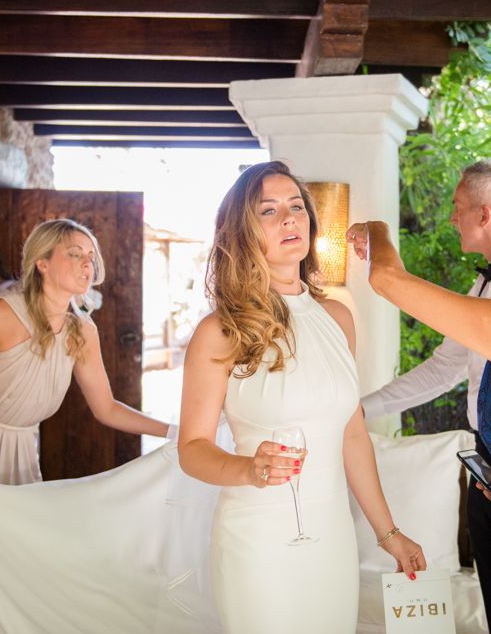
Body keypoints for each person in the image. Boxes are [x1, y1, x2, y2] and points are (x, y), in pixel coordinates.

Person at [177, 160, 425, 634]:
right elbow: (192, 450)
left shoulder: (337, 317)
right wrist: (247, 469)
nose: (289, 218)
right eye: (268, 211)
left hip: (331, 535)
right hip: (257, 539)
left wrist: (388, 533)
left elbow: (352, 434)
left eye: (296, 206)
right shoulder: (219, 332)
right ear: (243, 231)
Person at [361, 159, 491, 634]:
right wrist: (360, 410)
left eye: (457, 208)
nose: (451, 218)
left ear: (485, 214)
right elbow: (444, 369)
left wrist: (376, 231)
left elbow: (388, 280)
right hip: (486, 469)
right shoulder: (484, 285)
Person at [0, 218, 172, 486]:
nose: (87, 263)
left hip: (21, 456)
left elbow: (107, 408)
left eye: (91, 255)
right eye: (75, 254)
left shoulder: (83, 332)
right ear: (42, 263)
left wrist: (172, 432)